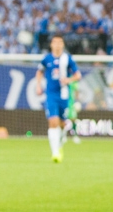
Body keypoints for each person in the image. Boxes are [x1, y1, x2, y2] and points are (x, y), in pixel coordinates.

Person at [35, 35, 82, 163]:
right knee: (52, 121)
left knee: (61, 124)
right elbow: (39, 71)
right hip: (51, 95)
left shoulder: (68, 59)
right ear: (51, 45)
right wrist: (38, 86)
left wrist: (69, 79)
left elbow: (78, 75)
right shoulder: (46, 58)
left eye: (59, 42)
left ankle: (60, 143)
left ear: (63, 45)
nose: (57, 45)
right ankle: (55, 152)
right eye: (54, 42)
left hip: (64, 96)